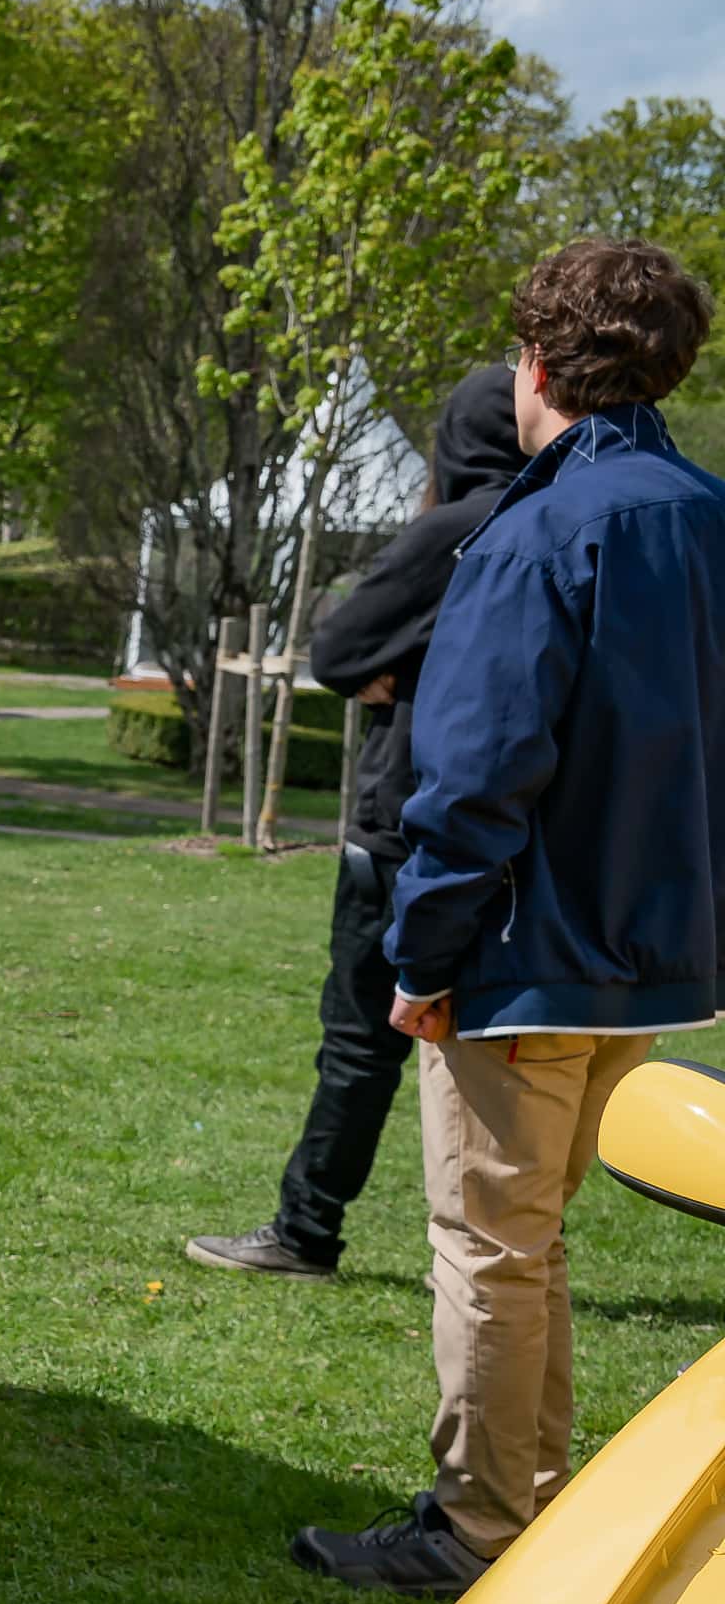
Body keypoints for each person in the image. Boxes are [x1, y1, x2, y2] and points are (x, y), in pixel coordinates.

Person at [295, 239, 725, 1595]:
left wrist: (423, 956)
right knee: (528, 1240)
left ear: (535, 364)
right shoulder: (708, 516)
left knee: (491, 1244)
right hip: (654, 959)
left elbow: (477, 772)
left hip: (529, 954)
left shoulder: (536, 530)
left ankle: (479, 1523)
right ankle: (526, 1507)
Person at [190, 364, 525, 1279]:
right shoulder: (551, 525)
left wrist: (399, 664)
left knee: (361, 1040)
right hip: (512, 833)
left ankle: (307, 1229)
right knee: (499, 1056)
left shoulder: (456, 530)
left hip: (404, 820)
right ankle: (507, 1242)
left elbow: (338, 650)